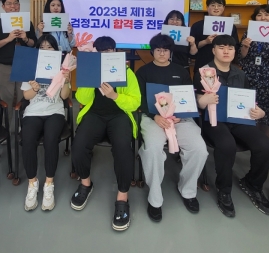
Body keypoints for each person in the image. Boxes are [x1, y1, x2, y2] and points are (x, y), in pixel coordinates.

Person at [195, 34, 269, 218]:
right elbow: (196, 99)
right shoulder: (204, 72)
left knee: (265, 146)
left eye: (230, 48)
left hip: (238, 119)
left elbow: (247, 100)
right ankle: (224, 189)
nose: (226, 51)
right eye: (221, 47)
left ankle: (252, 184)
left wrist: (259, 112)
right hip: (213, 120)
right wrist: (202, 101)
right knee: (226, 144)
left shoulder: (240, 74)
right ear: (213, 50)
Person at [70, 36, 141, 232]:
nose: (106, 54)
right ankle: (86, 183)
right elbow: (81, 99)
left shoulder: (126, 71)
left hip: (119, 116)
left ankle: (122, 196)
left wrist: (115, 96)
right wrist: (91, 78)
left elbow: (135, 102)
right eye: (101, 52)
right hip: (95, 114)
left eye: (109, 51)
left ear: (115, 52)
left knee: (123, 149)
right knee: (79, 145)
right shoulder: (91, 70)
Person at [136, 34, 207, 222]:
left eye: (165, 50)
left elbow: (187, 97)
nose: (162, 53)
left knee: (199, 149)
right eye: (158, 50)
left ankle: (188, 191)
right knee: (152, 149)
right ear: (152, 51)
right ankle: (155, 198)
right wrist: (155, 116)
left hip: (179, 119)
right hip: (153, 118)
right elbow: (139, 99)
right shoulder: (143, 72)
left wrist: (180, 114)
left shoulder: (181, 72)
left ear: (171, 52)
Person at [21, 35, 71, 212]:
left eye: (49, 47)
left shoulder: (62, 69)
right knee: (27, 140)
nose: (45, 50)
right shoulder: (30, 67)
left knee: (51, 140)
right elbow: (26, 96)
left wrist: (66, 79)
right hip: (33, 112)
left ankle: (49, 183)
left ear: (56, 50)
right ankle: (32, 183)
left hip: (54, 112)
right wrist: (34, 89)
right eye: (42, 47)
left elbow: (64, 96)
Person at [0, 0, 37, 128]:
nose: (13, 6)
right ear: (3, 7)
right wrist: (8, 39)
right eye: (9, 4)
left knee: (24, 97)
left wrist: (25, 38)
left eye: (15, 3)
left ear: (19, 6)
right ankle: (7, 129)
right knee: (7, 98)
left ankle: (24, 128)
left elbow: (34, 44)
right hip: (4, 66)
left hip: (24, 65)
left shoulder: (27, 23)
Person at [190, 0, 239, 72]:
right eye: (213, 5)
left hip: (224, 65)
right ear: (207, 7)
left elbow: (235, 45)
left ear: (223, 8)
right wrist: (205, 41)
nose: (216, 8)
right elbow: (191, 47)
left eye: (219, 5)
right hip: (203, 63)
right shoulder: (197, 25)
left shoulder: (230, 26)